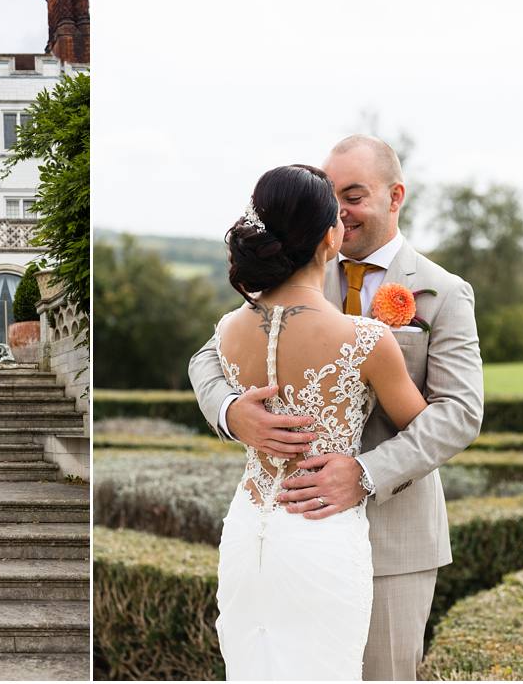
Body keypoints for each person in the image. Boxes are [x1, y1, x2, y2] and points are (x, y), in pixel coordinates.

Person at [190, 138, 483, 680]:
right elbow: (205, 360)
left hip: (396, 538)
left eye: (355, 195)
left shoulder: (445, 292)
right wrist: (233, 412)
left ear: (395, 196)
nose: (342, 210)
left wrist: (366, 474)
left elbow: (461, 413)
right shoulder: (296, 266)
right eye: (333, 197)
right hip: (291, 529)